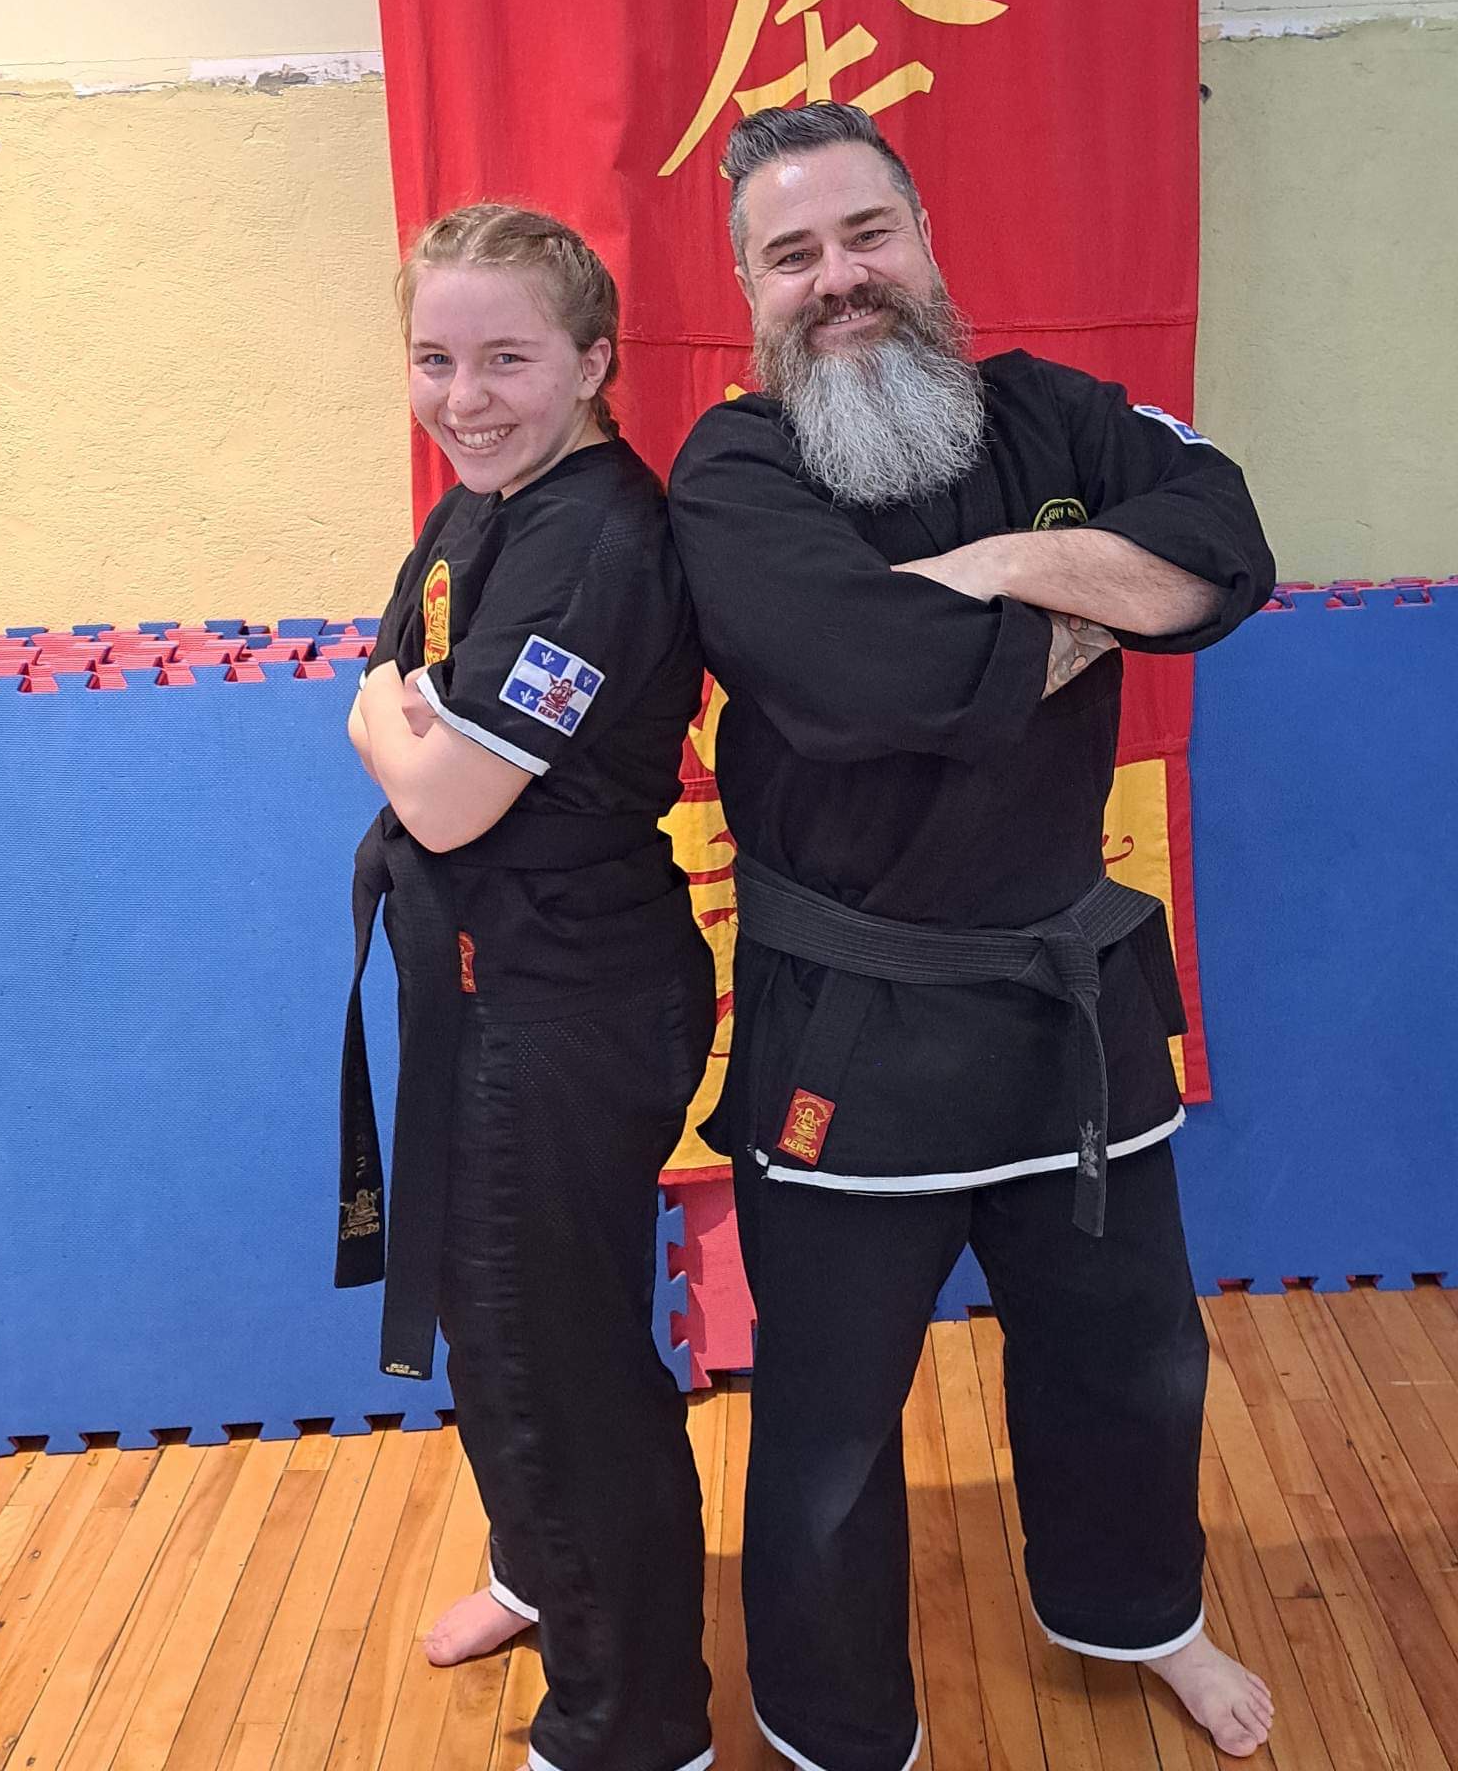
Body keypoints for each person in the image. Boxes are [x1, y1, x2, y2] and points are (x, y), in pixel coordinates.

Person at [666, 103, 1278, 1770]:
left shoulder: (1058, 414)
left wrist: (1009, 560)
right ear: (748, 291)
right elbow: (871, 685)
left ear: (924, 242)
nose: (837, 278)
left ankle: (1138, 1613)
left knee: (1133, 1360)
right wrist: (1104, 594)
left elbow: (1226, 546)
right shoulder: (735, 471)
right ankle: (838, 1723)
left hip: (1070, 1003)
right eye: (792, 255)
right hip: (849, 1022)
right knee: (831, 1426)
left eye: (866, 234)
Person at [340, 204, 715, 1771]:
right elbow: (393, 683)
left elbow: (437, 793)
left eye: (507, 359)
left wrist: (389, 717)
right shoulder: (486, 504)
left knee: (555, 1360)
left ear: (594, 361)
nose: (465, 397)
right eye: (436, 359)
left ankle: (638, 1727)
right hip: (483, 982)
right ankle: (540, 1572)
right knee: (490, 1321)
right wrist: (399, 713)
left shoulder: (593, 545)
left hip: (563, 1000)